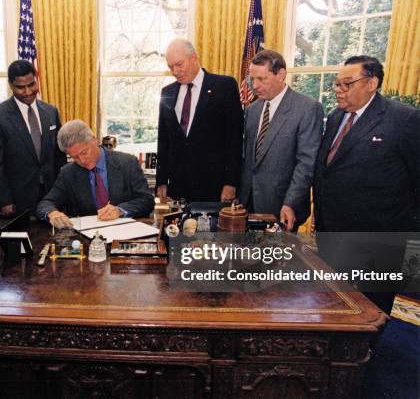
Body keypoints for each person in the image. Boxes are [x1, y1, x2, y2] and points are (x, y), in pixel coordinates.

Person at [313, 55, 420, 314]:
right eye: (337, 84)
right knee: (335, 301)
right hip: (333, 233)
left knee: (371, 310)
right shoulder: (336, 117)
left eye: (347, 84)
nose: (339, 90)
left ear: (372, 83)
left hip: (378, 238)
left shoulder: (403, 119)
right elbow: (327, 170)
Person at [238, 50, 323, 231]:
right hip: (248, 204)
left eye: (262, 79)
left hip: (282, 207)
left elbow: (306, 164)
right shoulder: (252, 110)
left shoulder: (307, 108)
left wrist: (291, 202)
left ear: (281, 75)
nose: (255, 85)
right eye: (252, 79)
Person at [156, 39, 243, 203]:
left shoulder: (224, 86)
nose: (175, 71)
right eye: (170, 67)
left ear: (194, 57)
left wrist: (231, 183)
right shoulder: (167, 92)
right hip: (178, 186)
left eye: (179, 64)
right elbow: (163, 140)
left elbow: (235, 139)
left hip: (214, 186)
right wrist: (161, 180)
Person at [0, 60, 67, 215]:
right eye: (20, 87)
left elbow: (59, 156)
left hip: (51, 196)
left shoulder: (51, 111)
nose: (27, 92)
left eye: (32, 84)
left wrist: (62, 191)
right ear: (11, 85)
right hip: (18, 199)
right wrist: (4, 201)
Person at [36, 120, 154, 228]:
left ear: (94, 140)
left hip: (126, 234)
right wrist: (52, 213)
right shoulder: (68, 173)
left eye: (84, 152)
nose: (82, 160)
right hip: (90, 238)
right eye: (74, 157)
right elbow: (45, 204)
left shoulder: (127, 163)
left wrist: (120, 210)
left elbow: (147, 200)